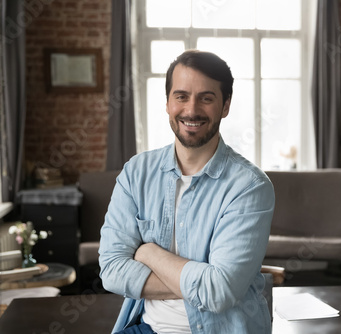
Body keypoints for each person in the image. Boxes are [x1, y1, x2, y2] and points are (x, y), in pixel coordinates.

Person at [99, 49, 275, 334]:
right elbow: (111, 271)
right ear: (168, 103)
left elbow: (219, 292)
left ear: (225, 106)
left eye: (206, 98)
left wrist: (148, 253)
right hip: (147, 328)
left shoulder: (250, 187)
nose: (191, 110)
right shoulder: (136, 173)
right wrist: (201, 285)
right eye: (181, 96)